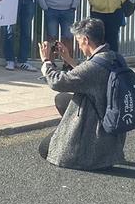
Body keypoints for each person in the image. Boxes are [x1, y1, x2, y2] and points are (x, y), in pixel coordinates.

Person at [36, 18, 126, 170]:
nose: (78, 45)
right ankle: (71, 130)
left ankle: (79, 141)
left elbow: (58, 82)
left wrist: (46, 61)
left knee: (45, 149)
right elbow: (89, 77)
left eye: (78, 41)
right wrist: (69, 59)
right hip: (111, 128)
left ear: (85, 40)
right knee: (62, 99)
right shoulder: (115, 57)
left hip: (96, 135)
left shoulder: (93, 67)